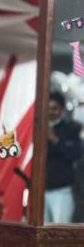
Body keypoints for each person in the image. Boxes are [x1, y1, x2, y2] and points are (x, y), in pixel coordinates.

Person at [45, 92, 82, 223]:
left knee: (59, 231)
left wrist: (54, 139)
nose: (50, 112)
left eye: (54, 108)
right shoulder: (37, 128)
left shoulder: (71, 129)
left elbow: (75, 154)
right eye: (48, 108)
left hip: (61, 191)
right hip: (40, 190)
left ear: (62, 110)